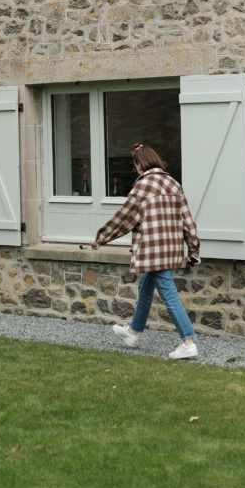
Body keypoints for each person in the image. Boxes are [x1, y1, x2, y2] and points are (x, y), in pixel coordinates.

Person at [91, 142, 201, 360]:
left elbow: (123, 219)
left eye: (136, 165)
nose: (136, 170)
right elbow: (187, 221)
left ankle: (188, 343)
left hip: (152, 250)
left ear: (141, 163)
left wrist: (100, 238)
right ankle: (133, 332)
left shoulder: (142, 188)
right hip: (170, 250)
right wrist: (193, 249)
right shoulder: (173, 183)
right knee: (145, 286)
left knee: (169, 294)